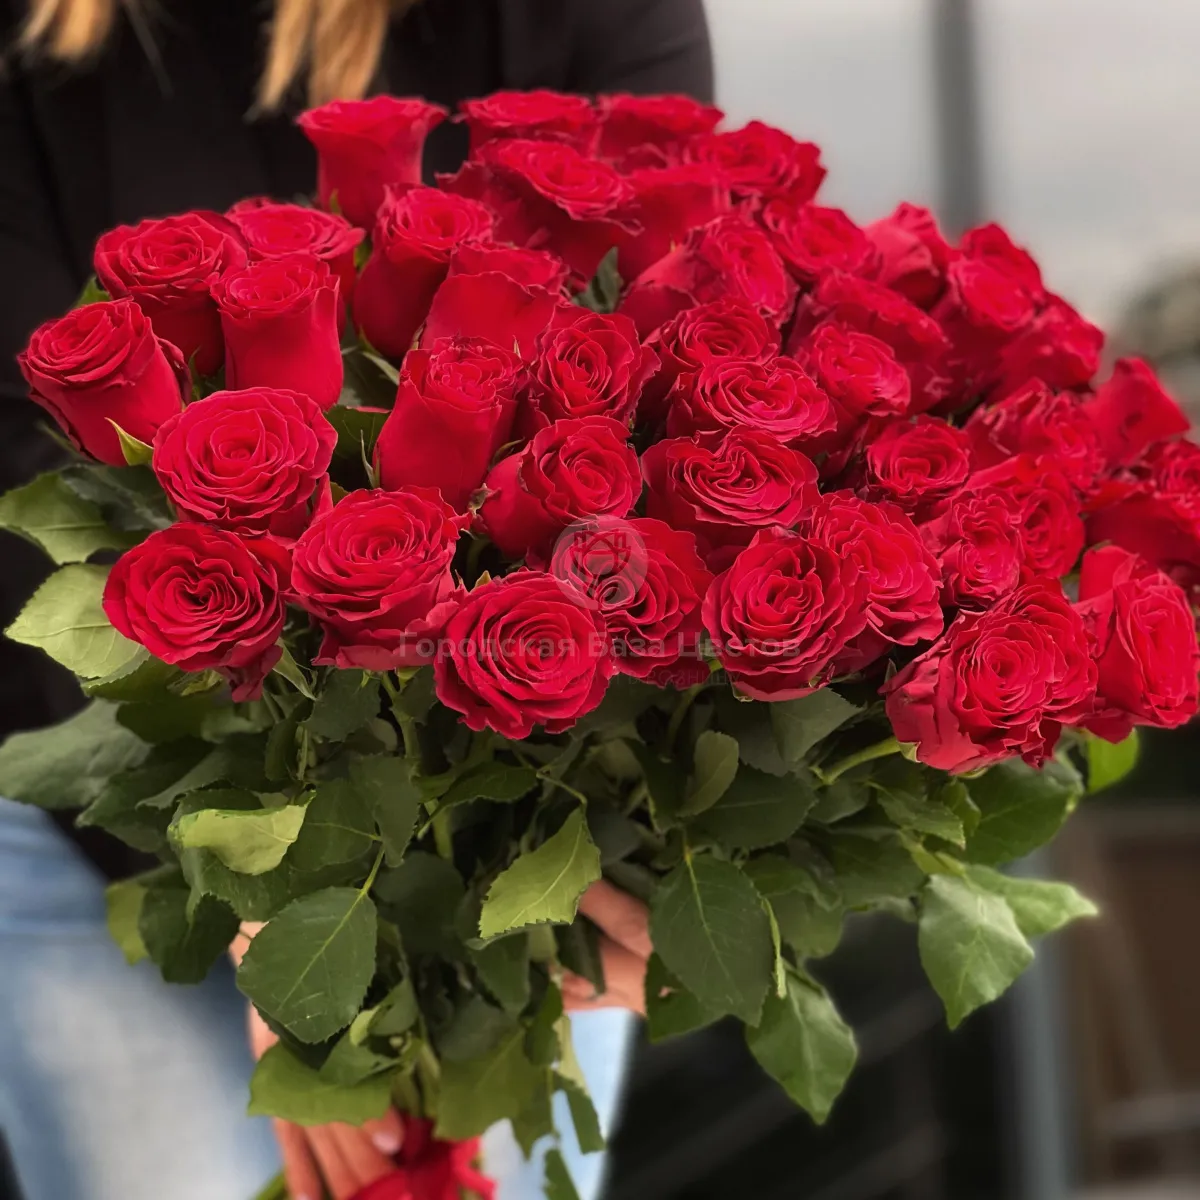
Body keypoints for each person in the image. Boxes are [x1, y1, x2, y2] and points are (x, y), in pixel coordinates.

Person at [0, 1, 713, 1197]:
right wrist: (289, 914)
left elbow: (674, 382)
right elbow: (17, 477)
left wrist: (617, 857)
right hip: (101, 793)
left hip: (509, 829)